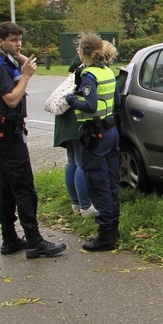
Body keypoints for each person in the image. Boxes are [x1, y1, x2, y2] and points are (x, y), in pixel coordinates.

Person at [0, 22, 67, 259]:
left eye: (20, 39)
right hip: (7, 136)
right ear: (0, 41)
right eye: (13, 40)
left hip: (5, 134)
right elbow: (11, 99)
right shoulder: (0, 67)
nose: (18, 44)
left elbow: (25, 66)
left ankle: (10, 239)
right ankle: (34, 241)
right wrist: (26, 76)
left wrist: (16, 55)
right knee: (24, 188)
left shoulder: (3, 61)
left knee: (7, 188)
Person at [65, 34, 120, 252]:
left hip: (95, 135)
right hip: (111, 131)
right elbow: (114, 100)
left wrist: (71, 99)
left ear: (82, 52)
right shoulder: (107, 71)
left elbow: (89, 105)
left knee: (98, 183)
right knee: (111, 181)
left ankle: (105, 234)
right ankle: (113, 227)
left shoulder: (89, 75)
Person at [53, 68, 97, 217]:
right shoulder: (89, 72)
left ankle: (76, 204)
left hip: (66, 121)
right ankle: (86, 206)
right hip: (76, 123)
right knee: (81, 164)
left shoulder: (76, 71)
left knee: (72, 162)